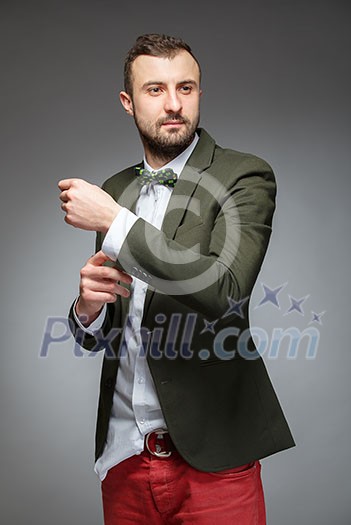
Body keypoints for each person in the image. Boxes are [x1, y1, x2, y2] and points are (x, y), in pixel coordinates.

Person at [59, 33, 295, 525]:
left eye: (186, 88)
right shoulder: (117, 189)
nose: (173, 104)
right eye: (155, 90)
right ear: (128, 102)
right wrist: (88, 310)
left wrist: (114, 221)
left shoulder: (244, 175)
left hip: (215, 462)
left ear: (200, 94)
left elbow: (226, 290)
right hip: (125, 458)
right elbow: (112, 330)